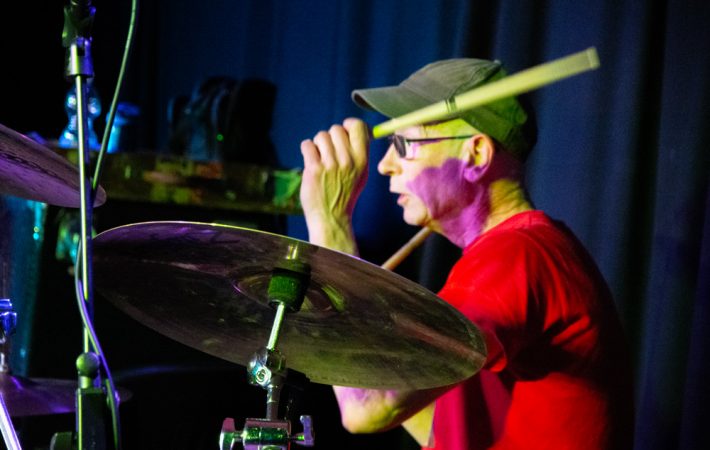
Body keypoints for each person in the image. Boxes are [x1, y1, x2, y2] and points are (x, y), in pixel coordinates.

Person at [298, 58, 634, 450]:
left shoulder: (516, 256)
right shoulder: (519, 253)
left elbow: (367, 408)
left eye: (404, 145)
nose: (386, 165)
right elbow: (447, 434)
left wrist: (330, 223)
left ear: (475, 155)